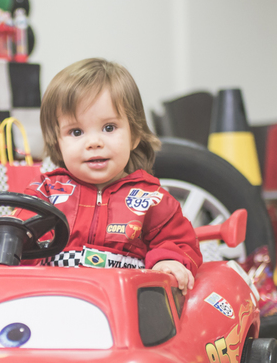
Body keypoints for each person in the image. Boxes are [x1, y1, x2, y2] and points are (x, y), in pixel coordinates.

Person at [29, 58, 201, 293]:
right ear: (57, 143)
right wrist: (12, 237)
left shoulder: (152, 199)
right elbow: (23, 229)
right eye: (76, 132)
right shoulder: (46, 191)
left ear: (135, 135)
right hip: (55, 295)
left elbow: (178, 242)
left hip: (125, 298)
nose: (94, 142)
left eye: (109, 127)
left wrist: (168, 261)